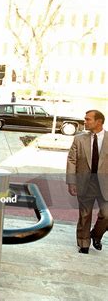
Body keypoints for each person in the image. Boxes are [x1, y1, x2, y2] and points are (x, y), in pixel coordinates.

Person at [66, 109, 107, 254]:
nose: (85, 122)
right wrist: (71, 182)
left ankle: (96, 235)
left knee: (106, 214)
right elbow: (72, 160)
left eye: (88, 119)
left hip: (105, 184)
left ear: (99, 121)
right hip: (85, 183)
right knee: (85, 214)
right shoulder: (79, 139)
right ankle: (83, 243)